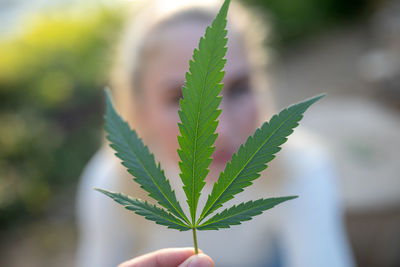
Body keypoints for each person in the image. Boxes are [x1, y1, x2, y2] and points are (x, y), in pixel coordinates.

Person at [76, 0, 355, 266]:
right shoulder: (112, 184)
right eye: (181, 98)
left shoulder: (301, 168)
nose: (220, 131)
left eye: (238, 89)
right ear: (140, 108)